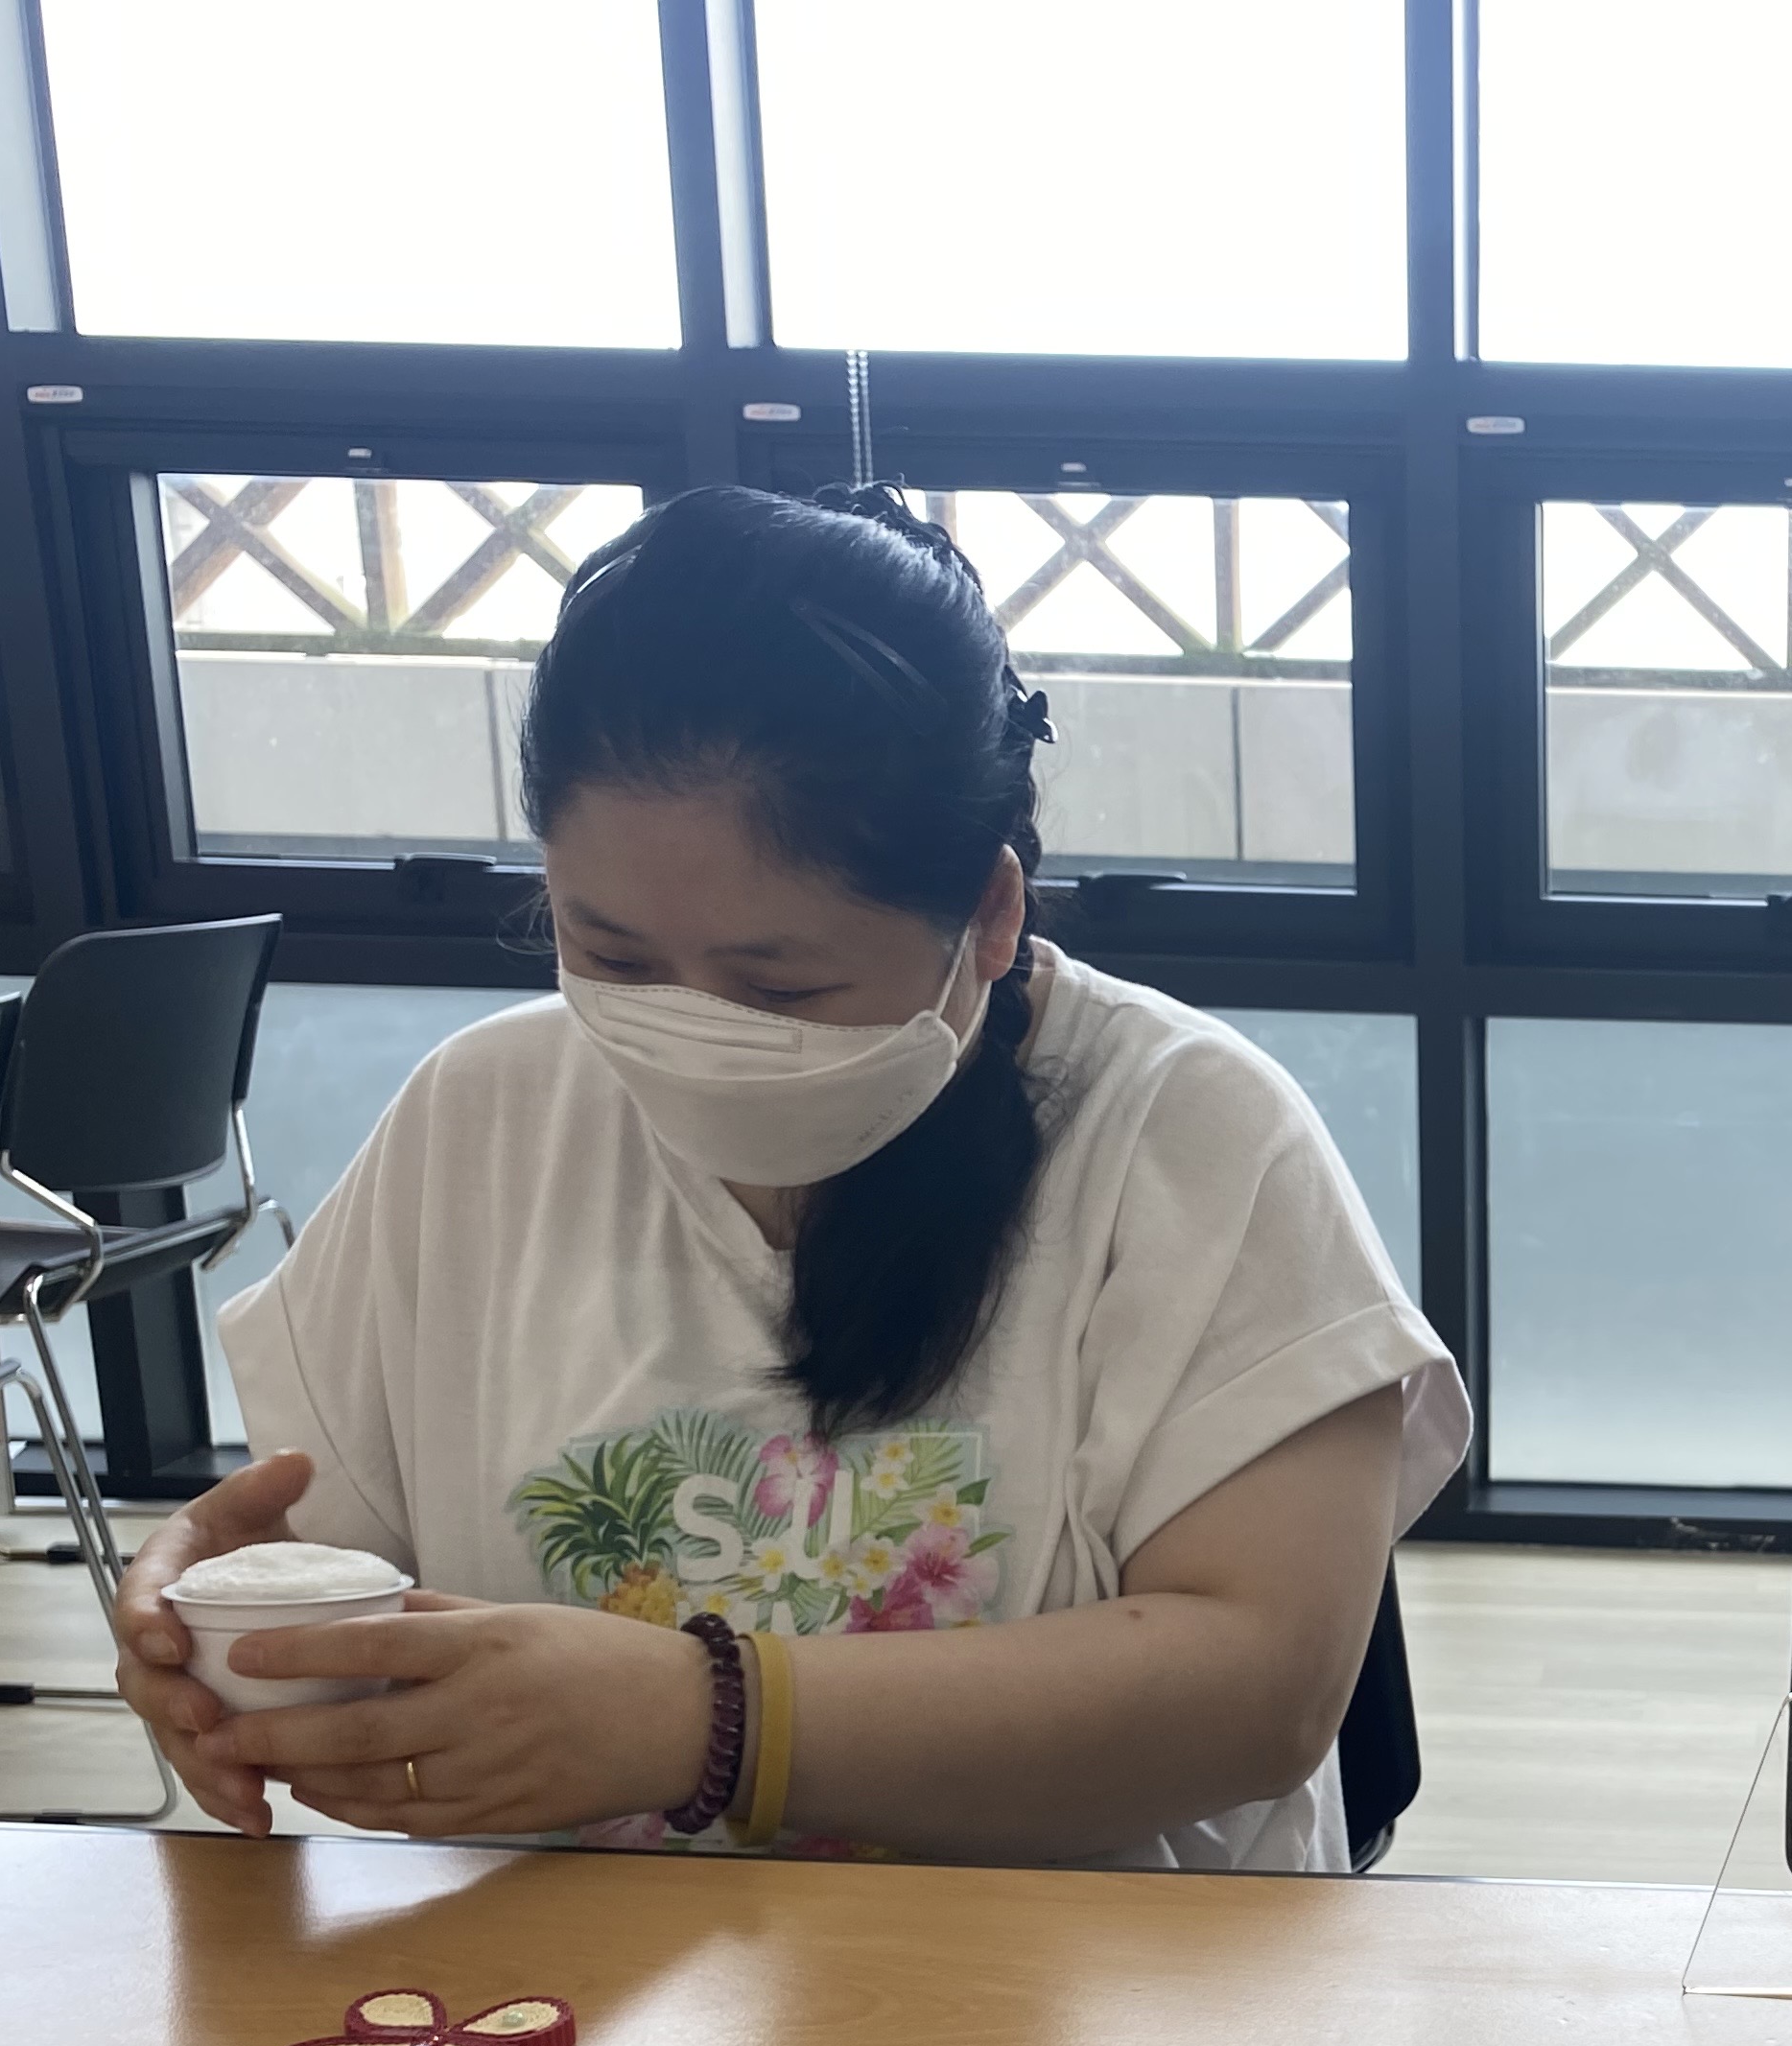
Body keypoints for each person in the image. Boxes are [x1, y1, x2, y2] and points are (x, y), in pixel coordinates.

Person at [111, 484, 1466, 1870]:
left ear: (989, 915)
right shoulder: (483, 1117)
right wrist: (223, 1639)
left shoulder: (1188, 1133)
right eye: (613, 955)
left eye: (781, 985)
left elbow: (1259, 1690)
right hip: (567, 1980)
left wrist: (704, 1718)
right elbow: (338, 1568)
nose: (696, 1028)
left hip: (1082, 1980)